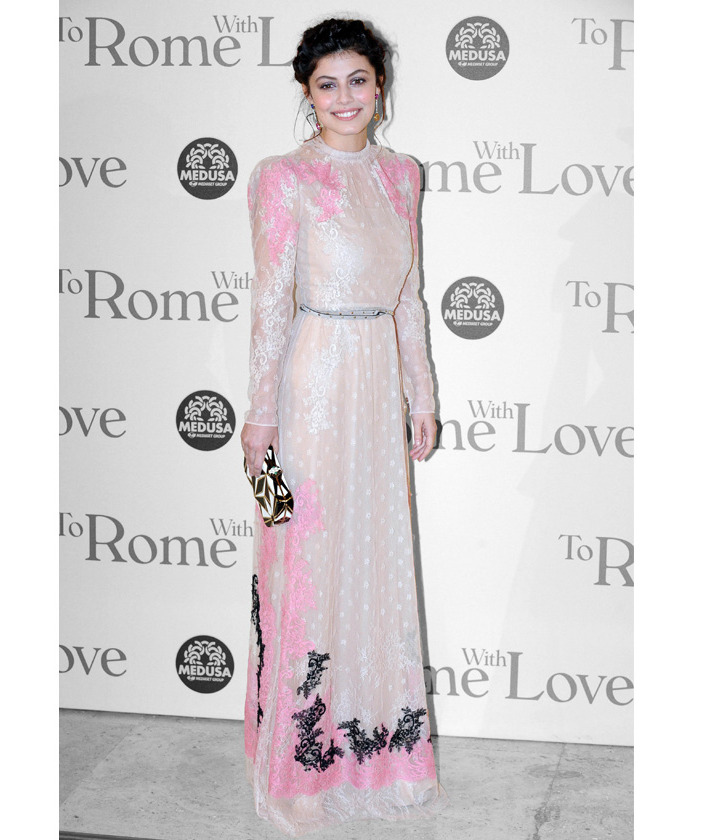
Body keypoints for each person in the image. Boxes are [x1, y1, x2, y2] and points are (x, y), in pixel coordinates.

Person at [238, 17, 450, 837]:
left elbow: (410, 296)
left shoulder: (402, 175)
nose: (345, 97)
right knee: (311, 564)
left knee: (375, 563)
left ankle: (381, 755)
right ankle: (300, 767)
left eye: (358, 79)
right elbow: (269, 303)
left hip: (375, 386)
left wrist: (420, 394)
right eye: (326, 84)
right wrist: (261, 415)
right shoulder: (283, 178)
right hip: (315, 386)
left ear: (380, 85)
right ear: (307, 93)